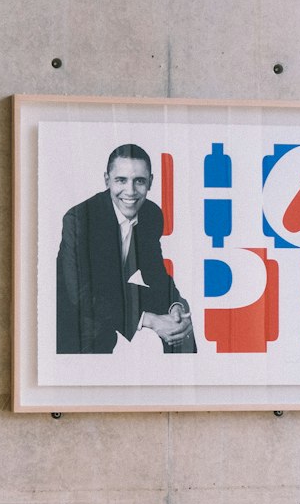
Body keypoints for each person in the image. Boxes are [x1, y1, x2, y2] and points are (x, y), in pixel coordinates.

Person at [56, 143, 195, 354]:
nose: (130, 192)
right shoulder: (79, 220)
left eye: (139, 181)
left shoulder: (151, 214)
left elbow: (155, 275)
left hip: (116, 295)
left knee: (183, 329)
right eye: (121, 180)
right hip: (77, 315)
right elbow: (80, 295)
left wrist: (175, 308)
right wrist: (150, 320)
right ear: (107, 180)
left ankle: (186, 381)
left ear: (150, 182)